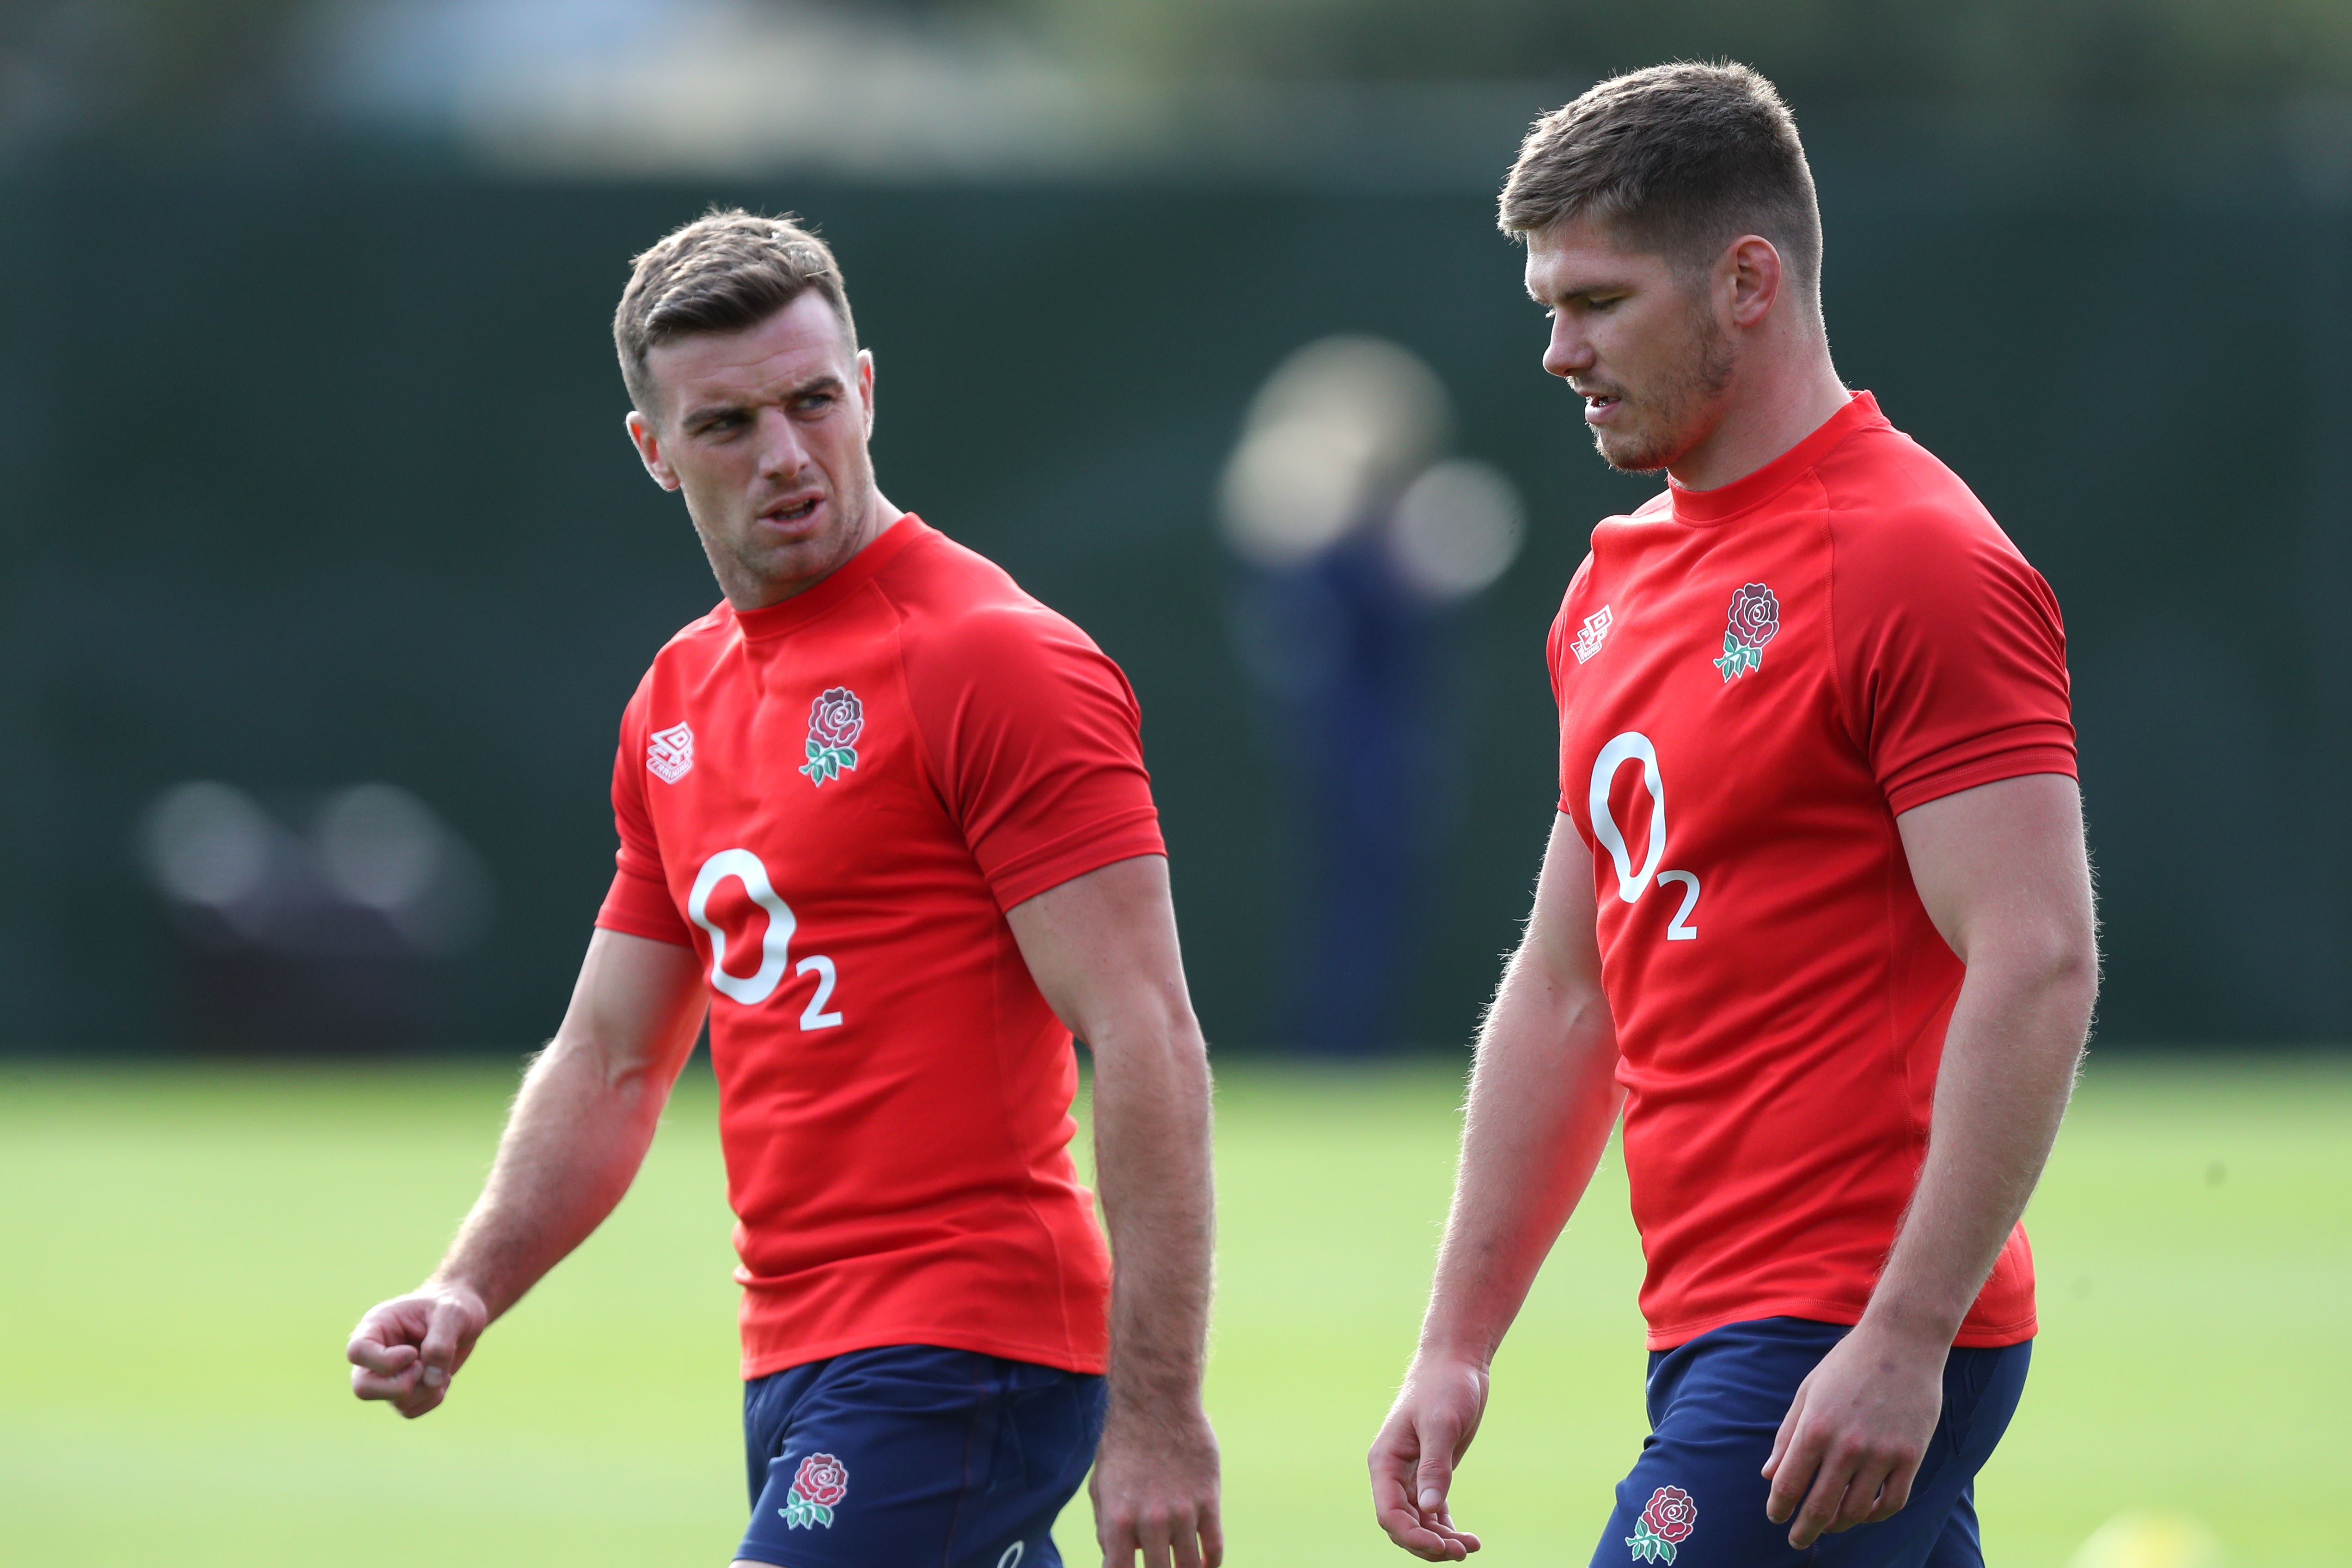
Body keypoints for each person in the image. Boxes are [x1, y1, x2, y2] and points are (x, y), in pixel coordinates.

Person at [346, 210, 1222, 1568]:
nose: (786, 454)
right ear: (653, 451)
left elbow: (1147, 1032)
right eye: (727, 424)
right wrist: (466, 1283)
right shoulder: (676, 701)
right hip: (797, 1353)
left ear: (865, 390)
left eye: (814, 401)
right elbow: (614, 1056)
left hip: (963, 1340)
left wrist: (1159, 1410)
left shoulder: (992, 661)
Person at [1368, 63, 2099, 1568]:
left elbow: (2036, 957)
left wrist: (1902, 1331)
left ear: (1748, 281)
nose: (1558, 351)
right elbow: (1568, 989)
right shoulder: (1612, 582)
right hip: (1718, 1323)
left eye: (1597, 302)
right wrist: (1456, 1340)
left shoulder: (1915, 560)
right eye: (1544, 307)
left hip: (1841, 1322)